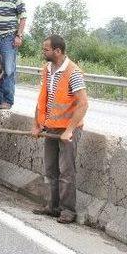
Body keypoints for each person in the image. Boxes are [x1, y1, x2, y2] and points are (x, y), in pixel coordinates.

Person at [31, 35, 89, 224]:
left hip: (67, 131)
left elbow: (83, 104)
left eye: (46, 49)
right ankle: (53, 206)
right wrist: (36, 123)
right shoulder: (47, 70)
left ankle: (68, 211)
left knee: (66, 172)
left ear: (57, 51)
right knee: (50, 169)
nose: (43, 52)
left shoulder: (73, 72)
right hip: (50, 128)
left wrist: (69, 130)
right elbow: (42, 100)